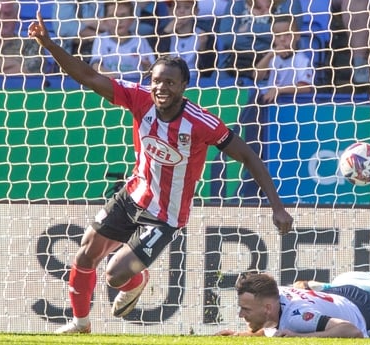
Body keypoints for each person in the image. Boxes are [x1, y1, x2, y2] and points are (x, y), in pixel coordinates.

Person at [28, 13, 294, 334]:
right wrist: (48, 44)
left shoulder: (202, 123)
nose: (161, 87)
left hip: (164, 215)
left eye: (169, 82)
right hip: (132, 195)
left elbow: (249, 156)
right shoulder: (138, 99)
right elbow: (87, 76)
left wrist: (277, 206)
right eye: (156, 81)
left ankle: (136, 278)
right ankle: (81, 324)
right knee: (86, 253)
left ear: (183, 85)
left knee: (115, 274)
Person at [238, 14, 313, 198]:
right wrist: (271, 53)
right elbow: (257, 76)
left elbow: (307, 87)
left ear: (296, 36)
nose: (282, 39)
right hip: (268, 114)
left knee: (283, 157)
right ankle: (255, 192)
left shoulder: (302, 59)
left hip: (290, 115)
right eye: (278, 35)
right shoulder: (274, 58)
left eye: (287, 34)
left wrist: (279, 90)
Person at [217, 272, 370, 338]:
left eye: (246, 309)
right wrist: (239, 334)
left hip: (368, 313)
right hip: (338, 294)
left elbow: (352, 331)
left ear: (268, 307)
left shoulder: (298, 319)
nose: (241, 315)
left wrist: (300, 336)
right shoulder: (274, 293)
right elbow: (270, 326)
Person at [88, 1, 156, 82]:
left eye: (123, 16)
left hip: (135, 86)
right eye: (112, 16)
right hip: (109, 85)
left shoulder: (140, 41)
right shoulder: (101, 39)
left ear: (131, 19)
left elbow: (151, 68)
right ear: (105, 20)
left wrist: (147, 67)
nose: (118, 21)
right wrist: (112, 76)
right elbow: (95, 65)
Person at [218, 0, 287, 79]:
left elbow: (289, 34)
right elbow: (228, 38)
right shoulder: (236, 3)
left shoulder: (288, 2)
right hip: (238, 62)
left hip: (275, 61)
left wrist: (248, 28)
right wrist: (272, 31)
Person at [157, 0, 215, 83]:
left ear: (195, 11)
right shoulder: (159, 34)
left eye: (187, 7)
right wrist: (165, 34)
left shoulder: (205, 36)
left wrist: (203, 48)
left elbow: (207, 72)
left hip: (195, 82)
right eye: (177, 7)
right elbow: (157, 62)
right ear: (170, 11)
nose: (181, 11)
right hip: (168, 81)